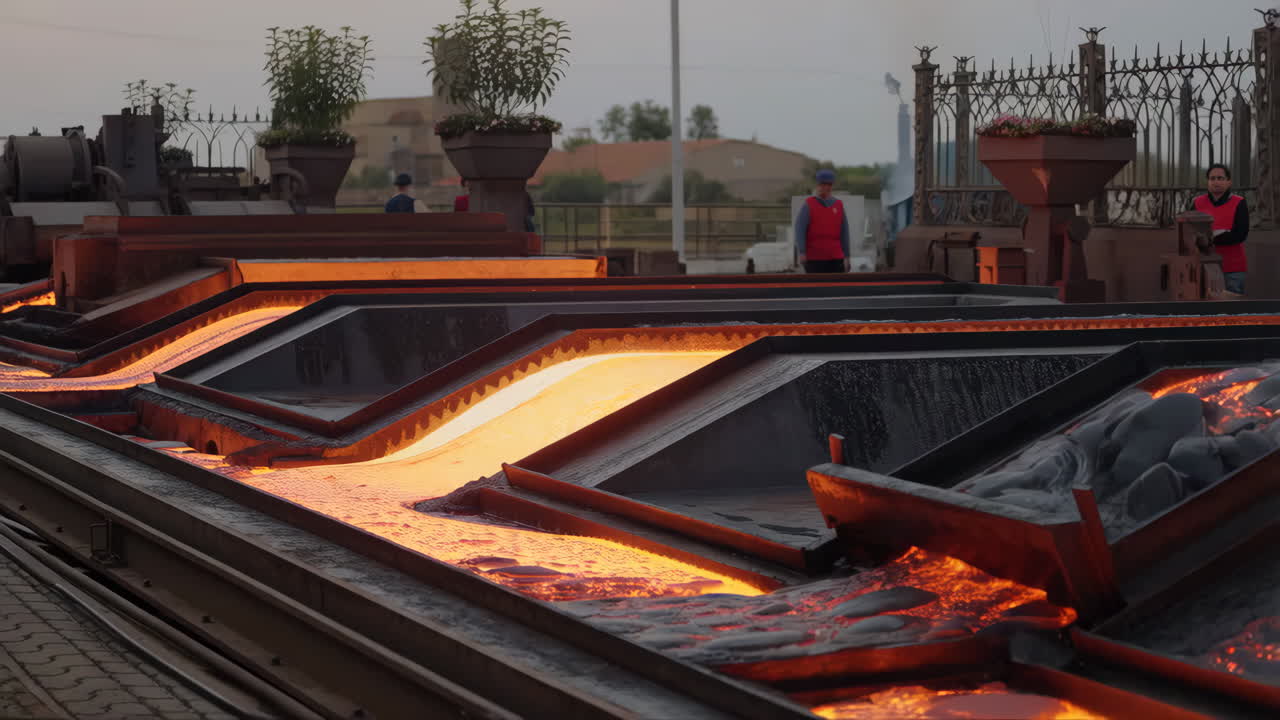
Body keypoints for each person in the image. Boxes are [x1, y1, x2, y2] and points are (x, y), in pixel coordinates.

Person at [1191, 163, 1250, 295]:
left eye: (1220, 178)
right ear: (1208, 182)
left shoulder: (1239, 202)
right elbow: (1190, 232)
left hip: (1232, 268)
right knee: (1202, 305)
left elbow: (1240, 235)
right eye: (1212, 178)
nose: (1216, 182)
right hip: (1203, 266)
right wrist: (1218, 236)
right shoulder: (1197, 203)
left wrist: (1209, 240)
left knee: (1231, 305)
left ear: (1229, 182)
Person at [794, 169, 851, 273]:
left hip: (836, 257)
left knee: (837, 283)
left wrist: (847, 256)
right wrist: (802, 252)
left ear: (831, 186)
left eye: (828, 184)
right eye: (822, 184)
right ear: (817, 185)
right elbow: (800, 229)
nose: (824, 187)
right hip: (814, 258)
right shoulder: (809, 204)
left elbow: (844, 232)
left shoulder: (838, 205)